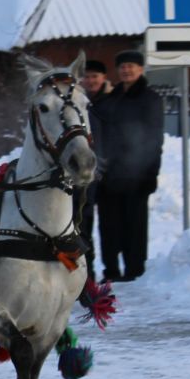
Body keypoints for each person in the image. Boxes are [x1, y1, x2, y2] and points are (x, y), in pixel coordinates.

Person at [94, 50, 164, 281]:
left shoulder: (150, 99)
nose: (127, 70)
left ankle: (135, 270)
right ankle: (111, 270)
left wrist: (151, 173)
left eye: (132, 66)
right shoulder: (109, 100)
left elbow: (155, 139)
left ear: (141, 69)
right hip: (110, 175)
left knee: (135, 226)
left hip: (137, 174)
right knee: (109, 227)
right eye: (123, 66)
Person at [76, 58, 113, 280]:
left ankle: (111, 270)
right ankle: (86, 273)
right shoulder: (76, 102)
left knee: (109, 225)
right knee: (82, 225)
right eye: (87, 77)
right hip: (84, 173)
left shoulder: (112, 101)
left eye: (95, 76)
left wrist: (108, 164)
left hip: (108, 172)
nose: (91, 80)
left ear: (103, 78)